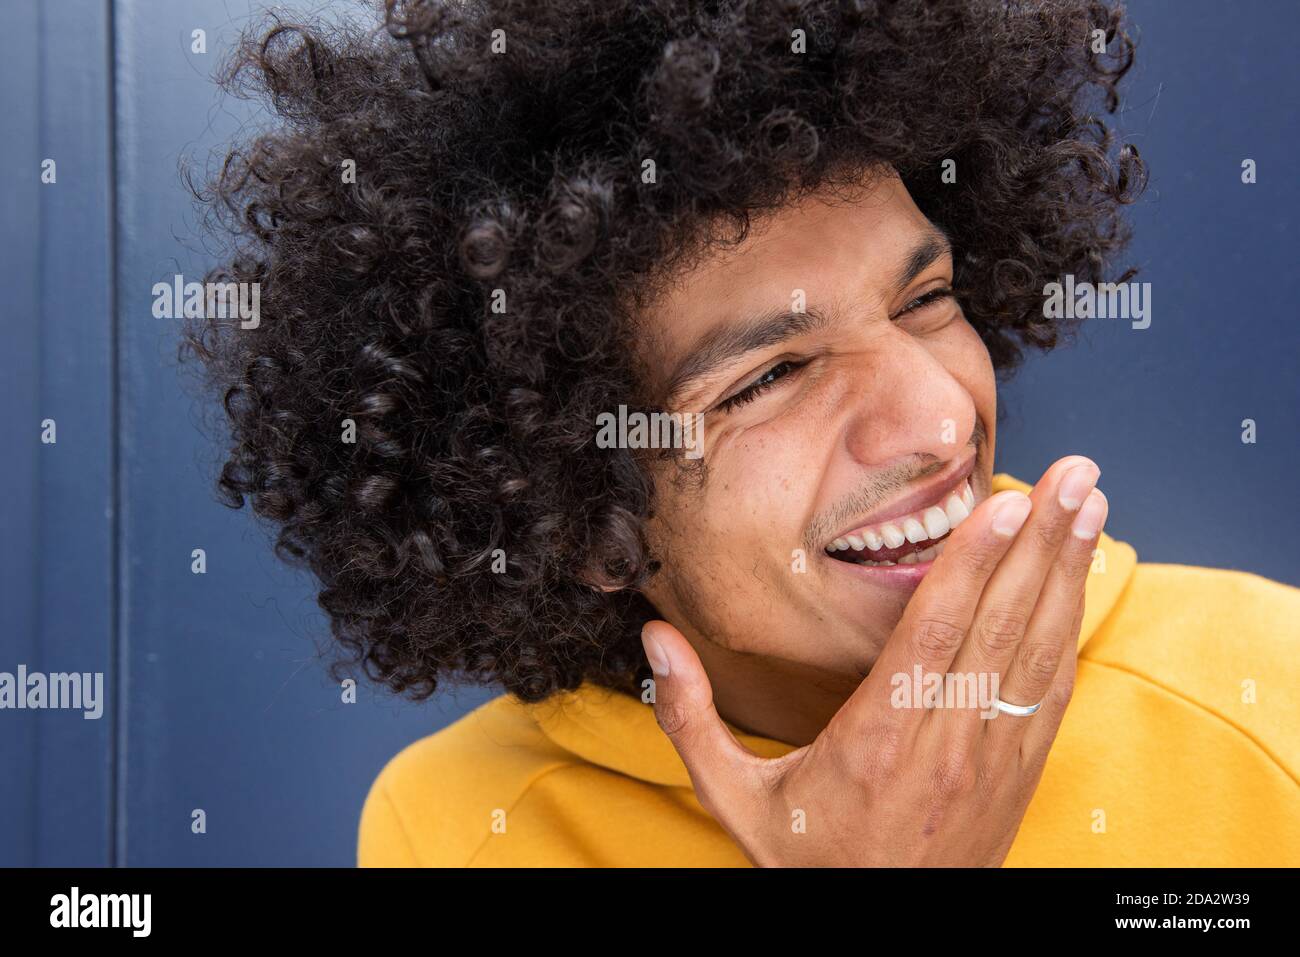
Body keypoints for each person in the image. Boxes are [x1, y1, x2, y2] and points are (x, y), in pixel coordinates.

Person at [187, 0, 1300, 866]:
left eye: (924, 301)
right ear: (586, 523)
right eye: (769, 377)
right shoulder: (462, 825)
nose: (940, 417)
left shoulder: (1270, 690)